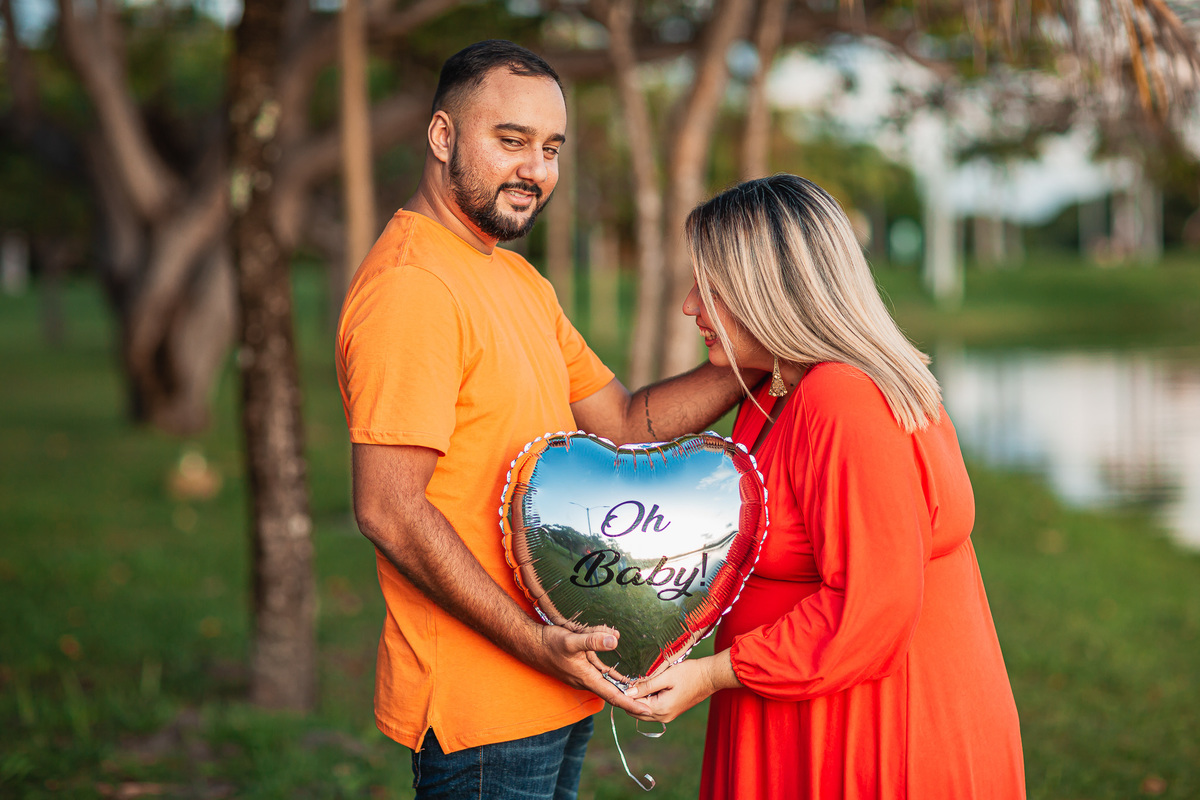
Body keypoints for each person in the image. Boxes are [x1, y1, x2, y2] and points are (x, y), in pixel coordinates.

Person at [335, 40, 751, 799]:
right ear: (442, 137)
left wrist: (749, 360)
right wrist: (536, 642)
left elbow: (624, 423)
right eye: (512, 141)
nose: (536, 169)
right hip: (484, 703)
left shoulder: (517, 279)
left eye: (552, 148)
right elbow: (389, 509)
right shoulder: (414, 289)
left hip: (554, 679)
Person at [625, 174, 1027, 799]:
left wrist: (714, 674)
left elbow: (872, 607)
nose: (689, 307)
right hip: (799, 713)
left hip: (869, 734)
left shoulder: (843, 399)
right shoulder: (774, 386)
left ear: (770, 293)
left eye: (709, 288)